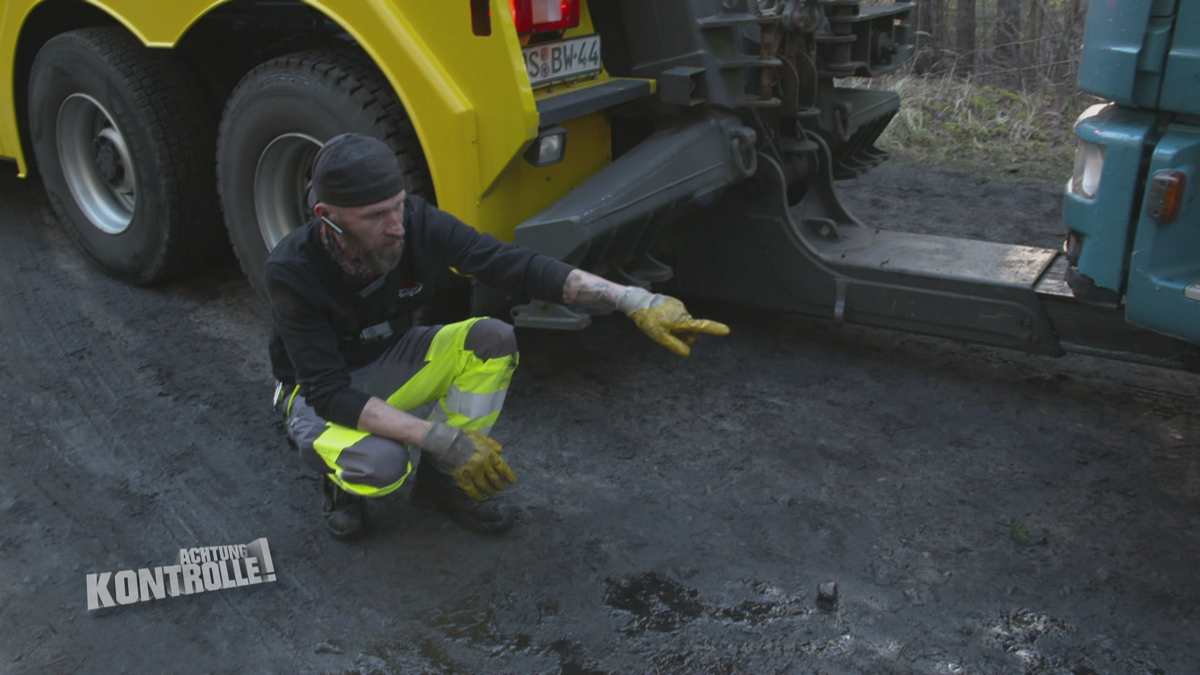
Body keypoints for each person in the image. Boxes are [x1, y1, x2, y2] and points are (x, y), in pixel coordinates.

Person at [266, 133, 729, 541]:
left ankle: (441, 483)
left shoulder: (415, 223)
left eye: (398, 206)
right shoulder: (294, 271)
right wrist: (441, 436)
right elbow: (327, 392)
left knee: (492, 339)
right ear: (328, 217)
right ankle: (341, 487)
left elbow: (510, 264)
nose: (396, 226)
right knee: (382, 466)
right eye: (375, 216)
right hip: (318, 392)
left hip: (391, 359)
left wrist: (632, 300)